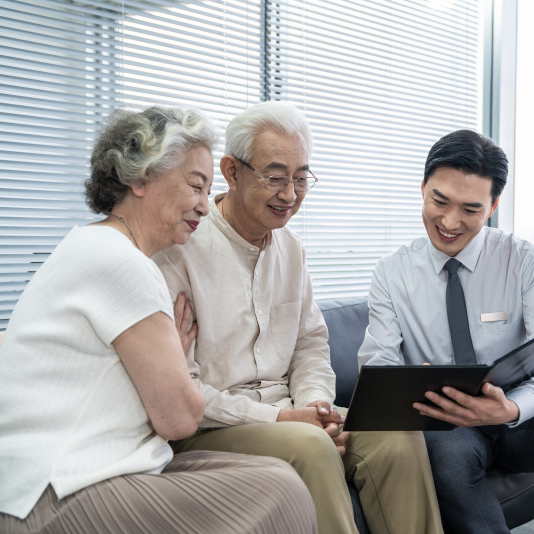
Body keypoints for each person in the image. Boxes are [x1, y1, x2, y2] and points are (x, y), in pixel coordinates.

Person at [0, 106, 317, 534]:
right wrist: (175, 361)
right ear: (140, 179)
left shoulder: (95, 245)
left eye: (208, 189)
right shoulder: (120, 261)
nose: (204, 204)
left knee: (277, 479)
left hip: (94, 468)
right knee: (281, 492)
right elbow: (178, 418)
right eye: (196, 185)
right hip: (50, 490)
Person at [153, 100, 443, 534]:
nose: (290, 195)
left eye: (301, 178)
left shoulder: (291, 250)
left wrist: (315, 406)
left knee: (395, 433)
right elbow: (186, 391)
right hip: (213, 427)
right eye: (275, 177)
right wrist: (285, 421)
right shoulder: (181, 249)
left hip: (292, 415)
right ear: (231, 172)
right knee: (311, 445)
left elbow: (310, 345)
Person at [357, 129, 534, 534]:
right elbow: (379, 362)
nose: (449, 222)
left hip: (517, 417)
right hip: (450, 425)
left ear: (491, 207)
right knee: (448, 451)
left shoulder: (523, 260)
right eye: (439, 201)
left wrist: (512, 408)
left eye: (470, 209)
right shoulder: (392, 272)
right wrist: (406, 383)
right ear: (422, 188)